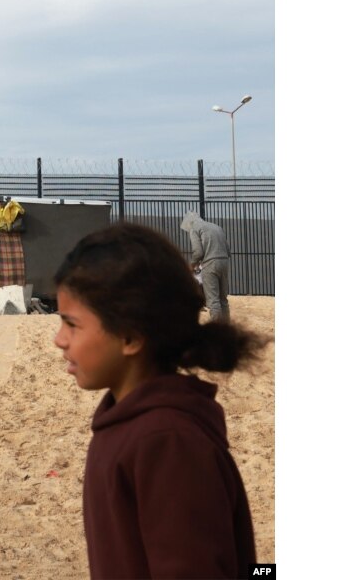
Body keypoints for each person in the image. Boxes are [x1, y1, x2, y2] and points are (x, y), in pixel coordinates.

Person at [52, 223, 264, 579]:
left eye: (71, 324)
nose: (59, 340)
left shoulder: (167, 442)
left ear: (131, 337)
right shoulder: (126, 423)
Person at [181, 211, 231, 322]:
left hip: (210, 264)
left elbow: (198, 252)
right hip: (224, 262)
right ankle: (228, 329)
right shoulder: (217, 227)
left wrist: (193, 264)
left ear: (189, 223)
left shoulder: (195, 228)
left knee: (213, 301)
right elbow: (228, 249)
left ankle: (218, 331)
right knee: (223, 299)